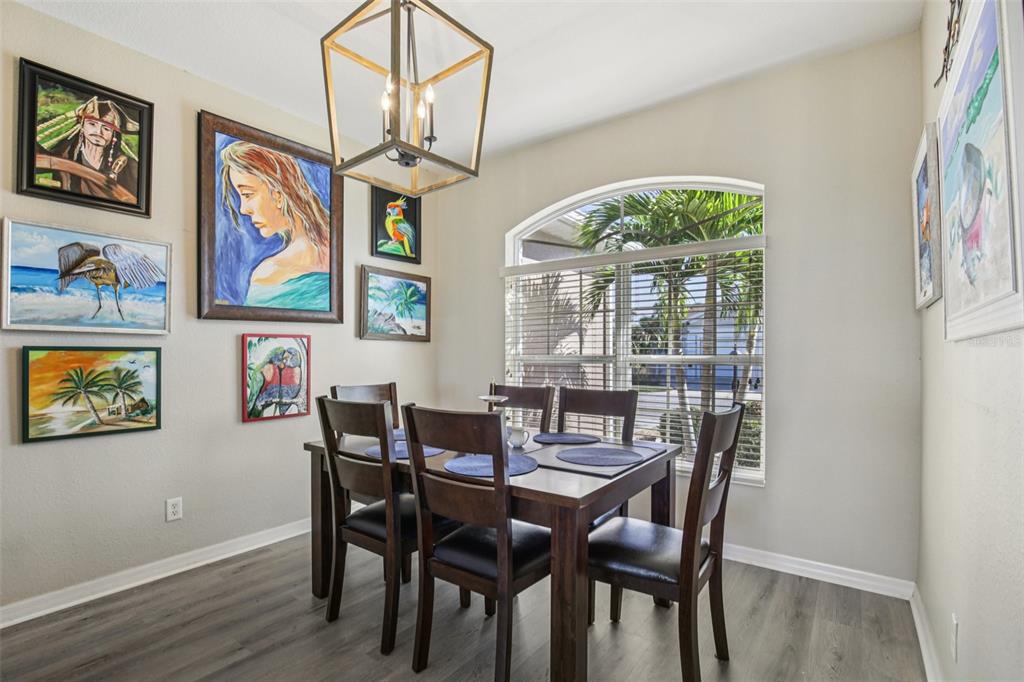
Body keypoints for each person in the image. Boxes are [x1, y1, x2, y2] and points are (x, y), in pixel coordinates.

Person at [219, 140, 331, 309]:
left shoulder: (270, 275)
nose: (243, 209)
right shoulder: (340, 253)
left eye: (247, 194)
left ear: (278, 195)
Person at [37, 97, 140, 202]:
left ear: (114, 135)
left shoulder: (127, 166)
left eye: (106, 128)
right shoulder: (64, 154)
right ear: (82, 126)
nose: (98, 132)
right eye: (92, 124)